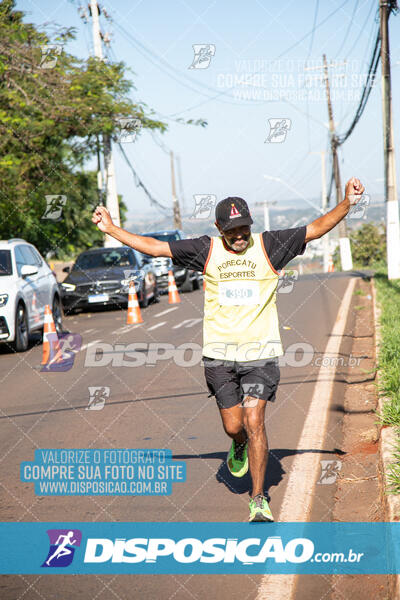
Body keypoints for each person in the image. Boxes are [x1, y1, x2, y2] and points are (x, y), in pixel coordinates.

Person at [92, 177, 364, 522]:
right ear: (219, 227)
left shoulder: (270, 245)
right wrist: (113, 230)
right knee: (234, 426)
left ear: (251, 224)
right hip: (219, 356)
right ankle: (237, 445)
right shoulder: (206, 249)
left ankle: (258, 498)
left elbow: (314, 229)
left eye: (244, 229)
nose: (239, 236)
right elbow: (155, 247)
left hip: (261, 353)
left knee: (255, 422)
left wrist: (347, 203)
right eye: (232, 231)